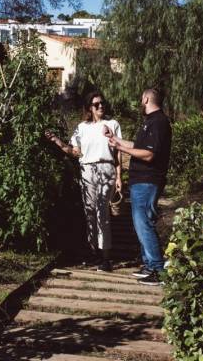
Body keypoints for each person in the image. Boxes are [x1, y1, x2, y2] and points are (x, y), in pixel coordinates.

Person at [46, 92, 122, 272]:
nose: (101, 107)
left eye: (102, 103)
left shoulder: (112, 124)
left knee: (102, 212)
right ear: (89, 107)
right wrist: (57, 141)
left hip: (106, 169)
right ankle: (93, 252)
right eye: (96, 104)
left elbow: (118, 151)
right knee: (89, 212)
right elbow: (75, 152)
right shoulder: (82, 127)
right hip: (87, 170)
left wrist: (119, 176)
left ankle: (106, 258)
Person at [104, 87, 171, 286]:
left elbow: (149, 154)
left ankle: (157, 269)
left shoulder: (158, 122)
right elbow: (138, 146)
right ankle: (150, 264)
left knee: (144, 223)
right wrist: (115, 140)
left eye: (141, 98)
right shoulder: (150, 122)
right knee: (141, 223)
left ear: (146, 98)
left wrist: (120, 148)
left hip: (147, 180)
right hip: (141, 180)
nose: (140, 102)